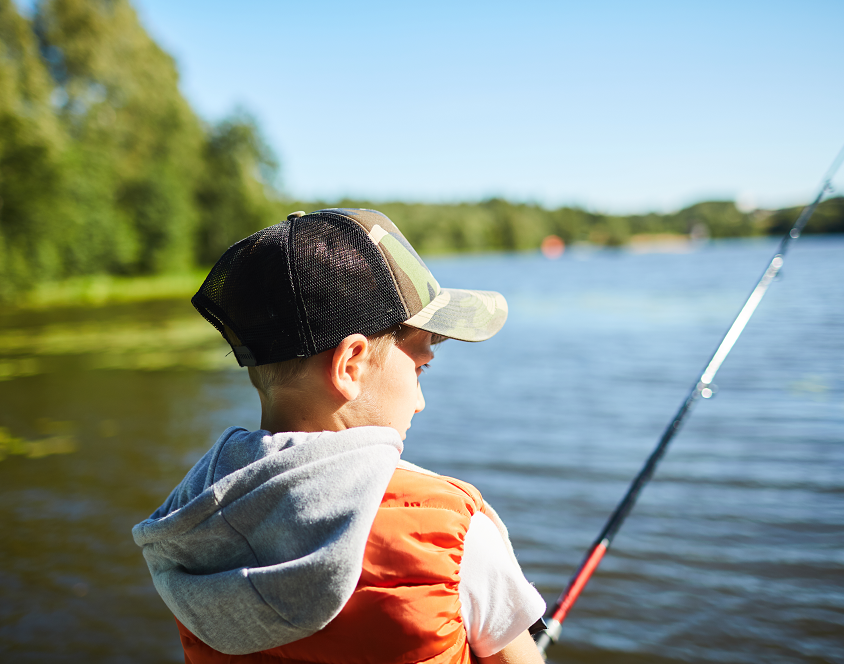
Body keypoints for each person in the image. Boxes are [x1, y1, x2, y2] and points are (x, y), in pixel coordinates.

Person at [133, 209, 546, 663]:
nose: (419, 401)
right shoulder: (451, 530)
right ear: (350, 365)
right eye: (420, 366)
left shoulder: (189, 524)